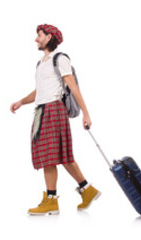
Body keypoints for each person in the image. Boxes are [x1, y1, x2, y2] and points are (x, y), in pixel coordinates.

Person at [10, 24, 100, 215]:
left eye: (39, 35)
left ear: (49, 37)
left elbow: (73, 87)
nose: (36, 39)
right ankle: (87, 190)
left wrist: (86, 113)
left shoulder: (60, 59)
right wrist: (21, 102)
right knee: (58, 155)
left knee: (52, 157)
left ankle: (51, 200)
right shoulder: (42, 62)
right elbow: (40, 91)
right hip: (42, 111)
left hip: (53, 110)